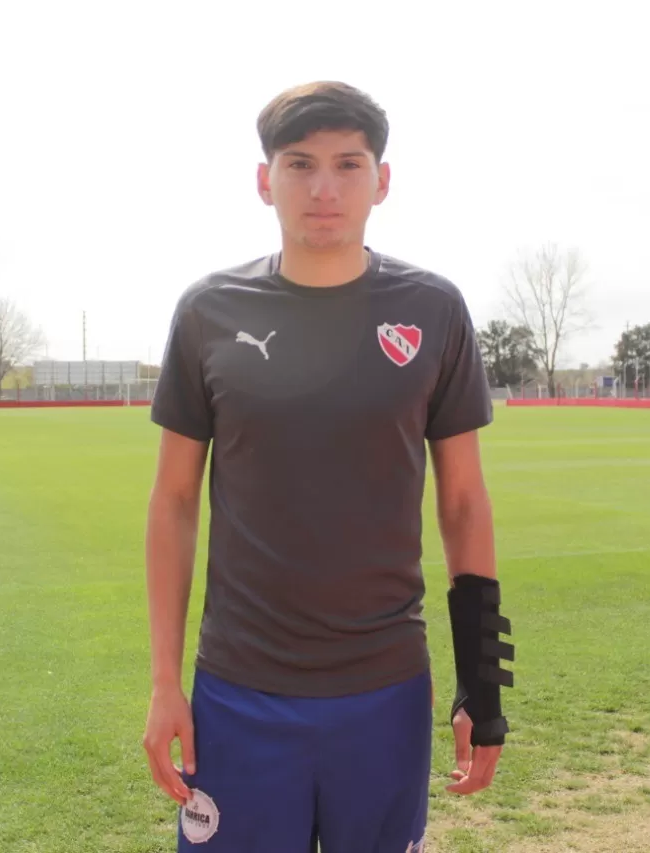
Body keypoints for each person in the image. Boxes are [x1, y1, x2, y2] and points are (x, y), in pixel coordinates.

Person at [143, 80, 515, 852]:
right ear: (263, 179)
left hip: (385, 690)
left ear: (382, 180)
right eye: (299, 163)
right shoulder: (209, 311)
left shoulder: (434, 309)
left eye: (348, 165)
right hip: (238, 690)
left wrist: (482, 681)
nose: (323, 188)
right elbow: (175, 499)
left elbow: (464, 502)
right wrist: (164, 681)